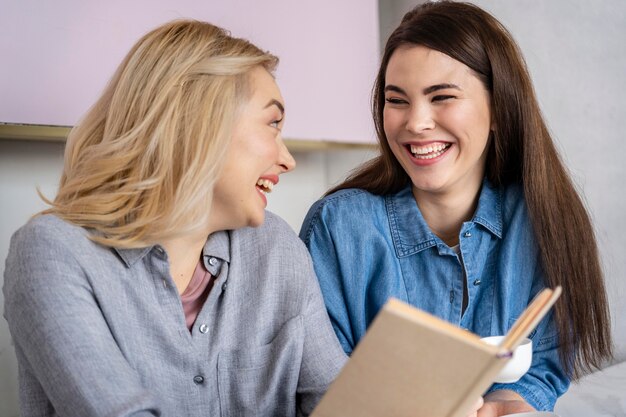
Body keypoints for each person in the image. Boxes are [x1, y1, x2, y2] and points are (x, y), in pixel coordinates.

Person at [2, 20, 350, 417]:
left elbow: (338, 404)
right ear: (202, 120)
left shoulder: (277, 248)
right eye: (272, 124)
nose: (287, 159)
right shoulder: (53, 253)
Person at [300, 1, 613, 416]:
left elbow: (541, 367)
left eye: (441, 96)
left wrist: (507, 407)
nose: (416, 123)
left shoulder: (541, 220)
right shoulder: (338, 228)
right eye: (397, 101)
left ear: (499, 108)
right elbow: (317, 388)